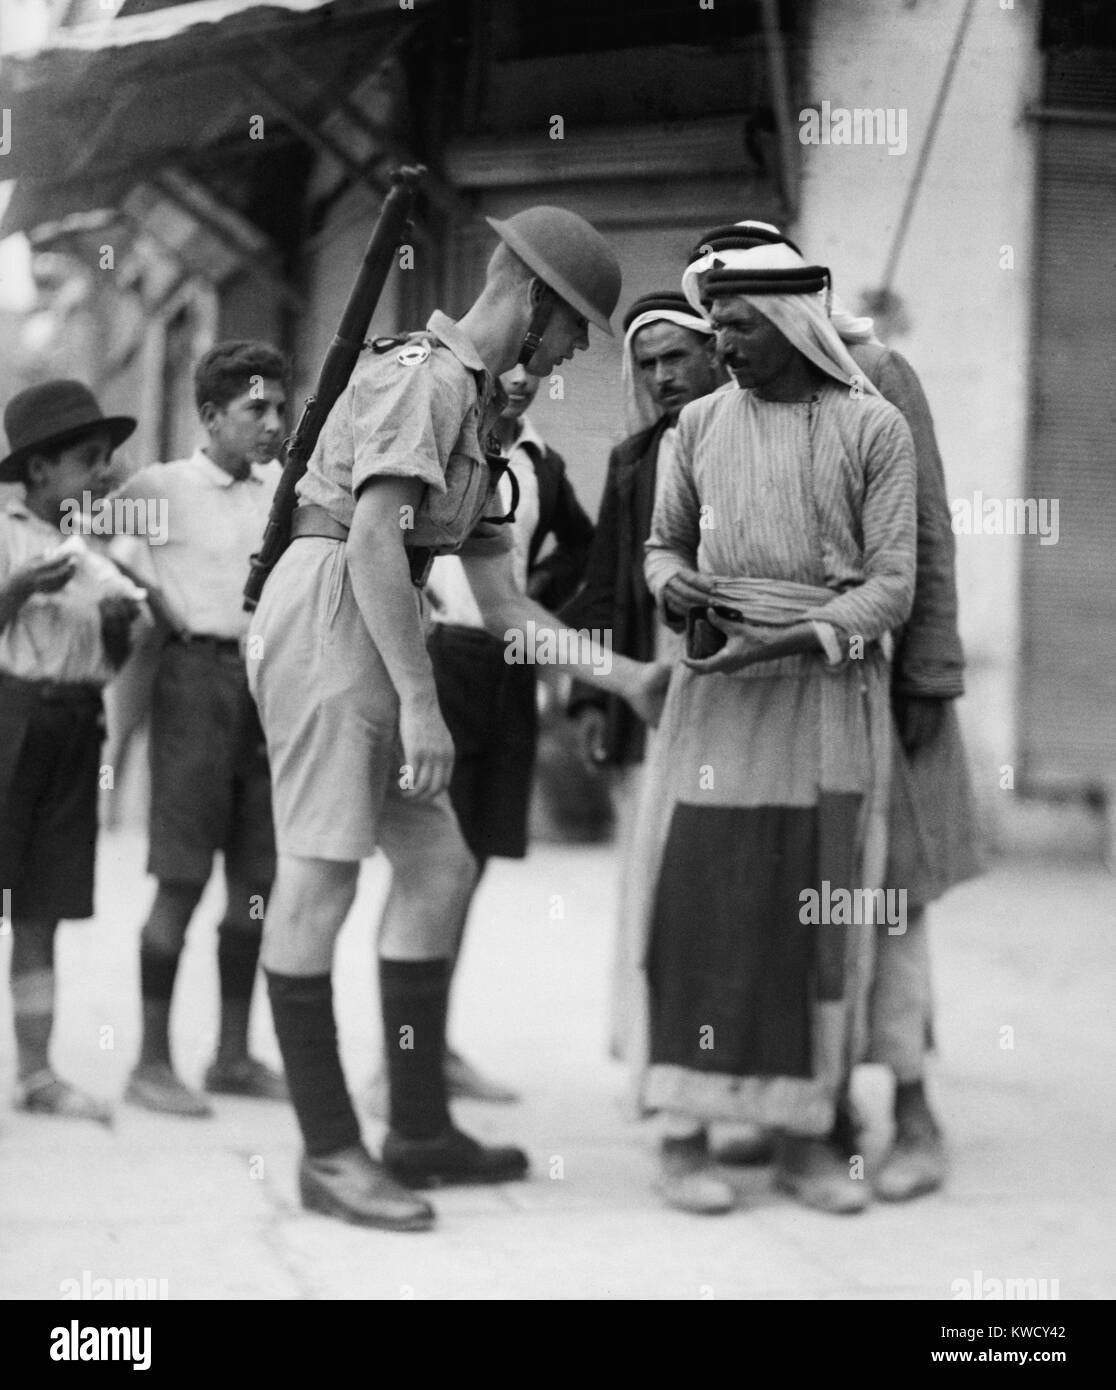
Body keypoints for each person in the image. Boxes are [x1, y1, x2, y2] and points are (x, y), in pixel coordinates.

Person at [247, 204, 668, 1231]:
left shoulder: (477, 410)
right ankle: (331, 1154)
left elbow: (507, 605)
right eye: (572, 331)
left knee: (439, 869)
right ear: (532, 300)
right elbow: (373, 543)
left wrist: (629, 679)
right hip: (334, 606)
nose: (569, 356)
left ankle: (419, 1127)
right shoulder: (421, 377)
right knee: (318, 879)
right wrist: (424, 704)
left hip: (384, 615)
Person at [684, 223, 982, 1200]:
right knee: (792, 895)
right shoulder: (722, 391)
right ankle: (820, 1111)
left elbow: (924, 532)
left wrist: (928, 677)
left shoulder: (876, 378)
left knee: (887, 895)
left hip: (878, 684)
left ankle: (914, 1108)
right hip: (765, 703)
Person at [635, 238, 916, 1216]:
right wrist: (673, 586)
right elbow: (662, 545)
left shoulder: (874, 429)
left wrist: (795, 636)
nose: (725, 345)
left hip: (829, 696)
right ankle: (682, 1131)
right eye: (717, 327)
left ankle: (806, 1137)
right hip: (716, 692)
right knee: (703, 900)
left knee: (819, 908)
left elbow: (892, 587)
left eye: (741, 327)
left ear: (794, 325)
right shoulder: (698, 426)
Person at [366, 361, 594, 1111]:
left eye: (539, 370)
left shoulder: (541, 461)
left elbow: (585, 554)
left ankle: (437, 1044)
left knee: (473, 865)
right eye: (508, 369)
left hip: (512, 663)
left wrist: (549, 605)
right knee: (431, 862)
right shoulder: (441, 448)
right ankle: (396, 1058)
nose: (523, 382)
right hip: (444, 660)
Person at [110, 342, 289, 1117]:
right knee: (181, 879)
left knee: (257, 883)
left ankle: (233, 1055)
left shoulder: (282, 490)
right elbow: (70, 527)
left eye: (281, 408)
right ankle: (150, 1063)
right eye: (257, 409)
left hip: (268, 687)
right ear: (210, 415)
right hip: (192, 683)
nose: (274, 423)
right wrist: (148, 592)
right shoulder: (163, 489)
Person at [562, 291, 722, 1062]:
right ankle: (653, 1048)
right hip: (652, 690)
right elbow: (599, 583)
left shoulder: (744, 440)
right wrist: (594, 694)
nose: (662, 376)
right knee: (651, 871)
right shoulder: (631, 460)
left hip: (738, 683)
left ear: (715, 353)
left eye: (676, 357)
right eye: (647, 363)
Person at [0, 380, 143, 1124]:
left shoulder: (97, 550)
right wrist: (16, 591)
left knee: (41, 910)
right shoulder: (7, 536)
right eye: (89, 459)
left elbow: (108, 662)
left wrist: (120, 625)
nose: (103, 474)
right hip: (10, 720)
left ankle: (36, 1074)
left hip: (75, 727)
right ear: (39, 471)